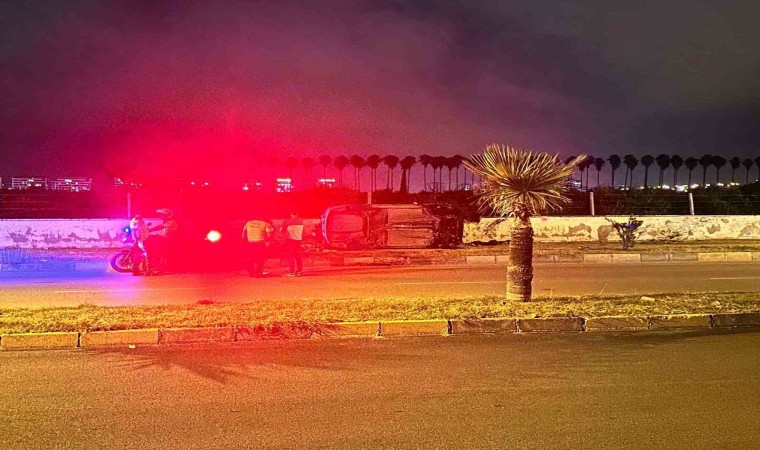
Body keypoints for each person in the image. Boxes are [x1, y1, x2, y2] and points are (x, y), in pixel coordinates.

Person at [281, 211, 304, 276]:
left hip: (290, 240)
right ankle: (299, 271)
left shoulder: (287, 221)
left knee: (290, 256)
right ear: (298, 214)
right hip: (298, 240)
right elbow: (303, 232)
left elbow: (282, 230)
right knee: (298, 256)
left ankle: (292, 272)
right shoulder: (301, 221)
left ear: (291, 214)